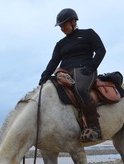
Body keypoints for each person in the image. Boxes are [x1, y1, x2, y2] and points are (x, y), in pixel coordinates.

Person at [39, 8, 106, 142]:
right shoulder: (60, 44)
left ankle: (94, 128)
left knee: (80, 89)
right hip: (65, 72)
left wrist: (91, 67)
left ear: (73, 21)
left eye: (64, 25)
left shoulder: (88, 34)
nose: (62, 28)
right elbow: (54, 61)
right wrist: (44, 76)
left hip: (85, 70)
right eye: (60, 26)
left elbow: (101, 50)